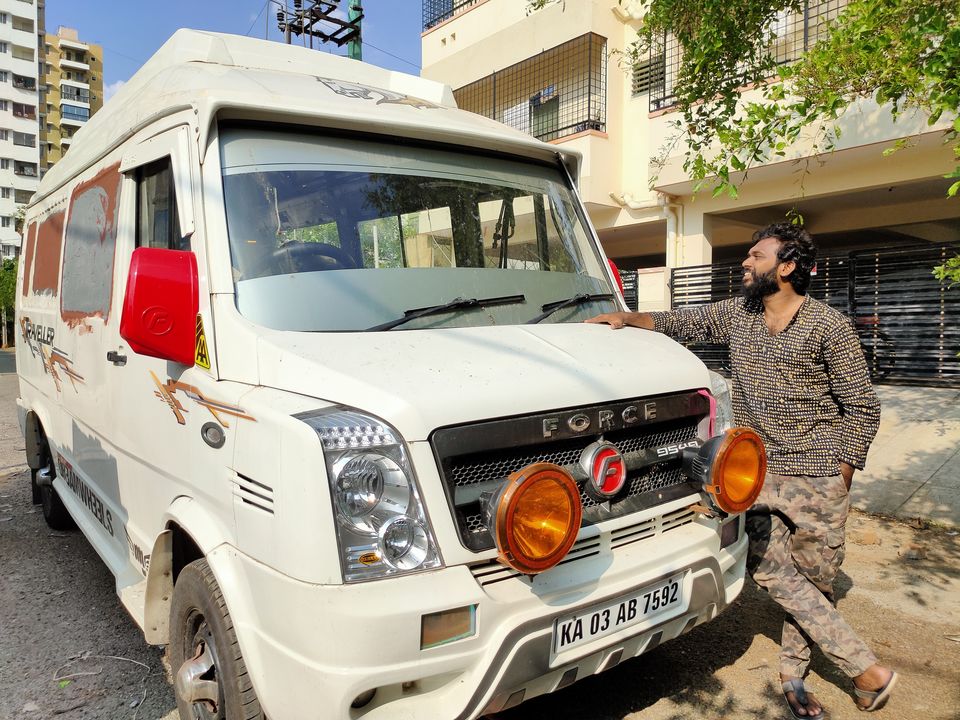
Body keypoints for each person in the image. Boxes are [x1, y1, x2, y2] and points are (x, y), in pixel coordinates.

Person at [587, 223, 898, 718]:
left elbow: (862, 407)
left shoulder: (827, 326)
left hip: (817, 477)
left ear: (787, 266)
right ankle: (864, 666)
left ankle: (794, 678)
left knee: (813, 581)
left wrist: (842, 473)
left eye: (756, 255)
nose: (745, 263)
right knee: (769, 569)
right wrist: (625, 318)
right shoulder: (739, 314)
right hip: (752, 473)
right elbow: (681, 323)